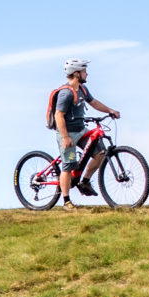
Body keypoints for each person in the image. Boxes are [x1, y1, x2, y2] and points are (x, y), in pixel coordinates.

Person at [48, 59, 120, 202]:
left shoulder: (82, 89)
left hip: (80, 130)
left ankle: (84, 181)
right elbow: (58, 115)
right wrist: (65, 137)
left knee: (100, 154)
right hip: (67, 134)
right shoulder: (66, 94)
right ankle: (66, 200)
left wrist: (110, 110)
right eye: (84, 71)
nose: (87, 74)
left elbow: (93, 103)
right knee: (68, 166)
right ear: (76, 74)